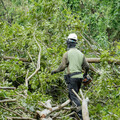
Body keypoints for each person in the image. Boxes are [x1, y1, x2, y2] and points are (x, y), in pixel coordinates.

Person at [51, 33, 89, 120]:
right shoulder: (81, 54)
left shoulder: (67, 54)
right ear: (75, 43)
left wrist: (55, 71)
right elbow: (87, 67)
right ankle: (73, 115)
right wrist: (85, 74)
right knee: (71, 95)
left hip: (72, 78)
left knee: (74, 97)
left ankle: (80, 116)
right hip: (79, 78)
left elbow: (62, 67)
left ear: (68, 42)